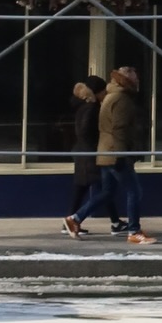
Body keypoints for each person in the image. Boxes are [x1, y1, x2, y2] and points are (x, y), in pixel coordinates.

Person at [65, 66, 156, 245]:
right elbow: (119, 129)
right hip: (115, 153)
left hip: (105, 152)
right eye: (135, 78)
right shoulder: (122, 99)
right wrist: (121, 155)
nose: (138, 81)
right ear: (127, 80)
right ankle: (134, 231)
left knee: (107, 192)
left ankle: (75, 219)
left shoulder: (110, 96)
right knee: (134, 191)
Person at [61, 74, 111, 235]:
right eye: (103, 91)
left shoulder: (84, 106)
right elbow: (85, 130)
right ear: (96, 92)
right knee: (106, 188)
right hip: (89, 153)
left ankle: (71, 220)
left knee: (82, 188)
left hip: (82, 152)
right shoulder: (91, 108)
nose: (105, 94)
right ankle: (115, 222)